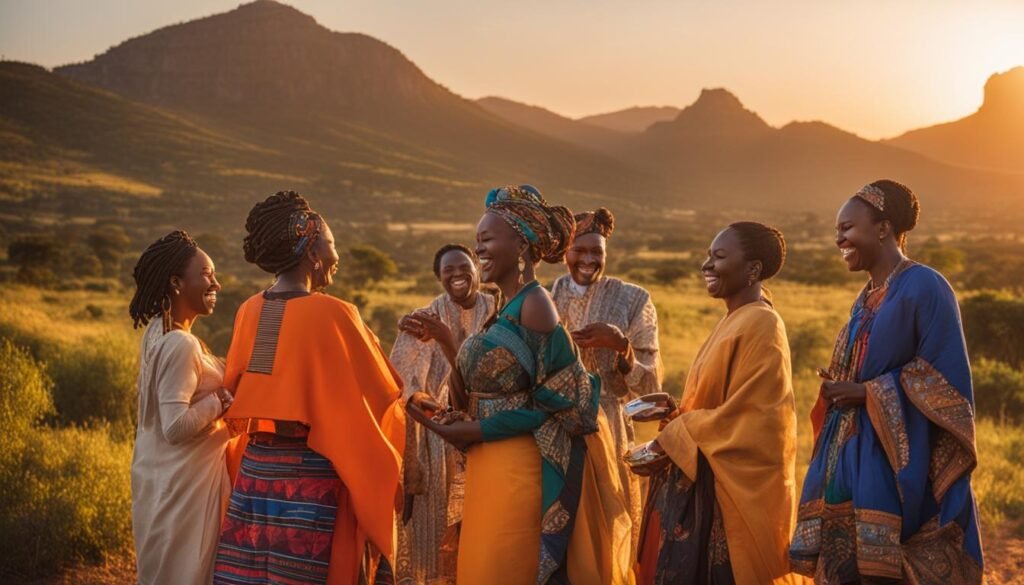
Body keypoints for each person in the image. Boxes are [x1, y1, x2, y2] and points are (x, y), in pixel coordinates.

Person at [406, 185, 634, 584]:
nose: (480, 251)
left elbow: (561, 403)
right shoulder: (502, 306)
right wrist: (442, 410)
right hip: (488, 464)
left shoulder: (536, 305)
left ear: (523, 244)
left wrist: (476, 429)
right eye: (479, 241)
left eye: (487, 239)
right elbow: (482, 391)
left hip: (518, 469)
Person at [790, 180, 984, 584]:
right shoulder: (865, 296)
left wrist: (867, 392)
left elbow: (943, 378)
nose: (839, 237)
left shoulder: (925, 286)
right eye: (837, 229)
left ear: (883, 228)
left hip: (891, 462)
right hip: (847, 456)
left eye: (848, 227)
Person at [213, 191, 405, 585]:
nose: (336, 256)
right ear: (312, 251)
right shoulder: (334, 313)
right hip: (312, 472)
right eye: (331, 245)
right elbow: (377, 394)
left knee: (249, 573)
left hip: (257, 470)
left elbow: (242, 385)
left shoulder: (250, 308)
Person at [632, 222, 804, 585]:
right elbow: (719, 404)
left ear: (753, 270)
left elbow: (754, 423)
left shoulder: (762, 324)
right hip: (702, 477)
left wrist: (677, 432)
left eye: (719, 257)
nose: (706, 265)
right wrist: (677, 412)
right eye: (708, 255)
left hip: (728, 499)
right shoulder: (734, 319)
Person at [551, 207, 663, 554]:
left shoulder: (633, 298)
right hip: (552, 426)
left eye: (596, 252)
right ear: (564, 254)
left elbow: (651, 386)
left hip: (610, 426)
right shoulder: (545, 298)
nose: (588, 260)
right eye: (579, 251)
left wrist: (622, 347)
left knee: (609, 527)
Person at [128, 230, 234, 585]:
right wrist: (221, 399)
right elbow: (174, 427)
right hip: (185, 487)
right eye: (206, 274)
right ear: (175, 282)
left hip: (160, 478)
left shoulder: (157, 331)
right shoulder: (181, 344)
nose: (216, 284)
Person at [390, 243, 495, 585]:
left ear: (477, 268)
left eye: (463, 266)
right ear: (439, 278)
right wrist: (422, 401)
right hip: (438, 446)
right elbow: (401, 387)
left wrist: (447, 340)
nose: (456, 274)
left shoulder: (500, 312)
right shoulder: (426, 318)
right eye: (447, 270)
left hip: (489, 435)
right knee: (436, 543)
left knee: (484, 535)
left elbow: (485, 381)